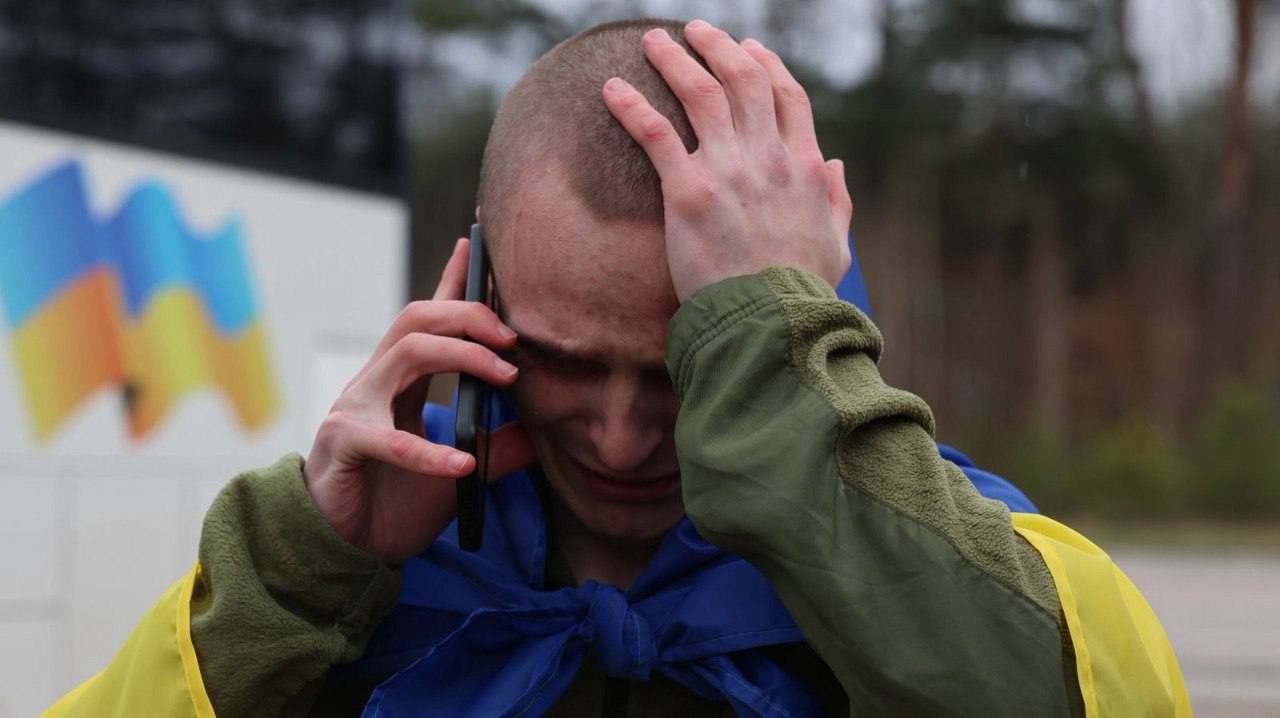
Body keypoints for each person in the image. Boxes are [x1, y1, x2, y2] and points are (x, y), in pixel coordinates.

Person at [47, 18, 1189, 717]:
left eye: (686, 371)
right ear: (478, 285)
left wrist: (789, 400)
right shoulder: (337, 567)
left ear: (801, 299)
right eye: (559, 360)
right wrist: (295, 577)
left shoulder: (983, 558)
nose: (620, 435)